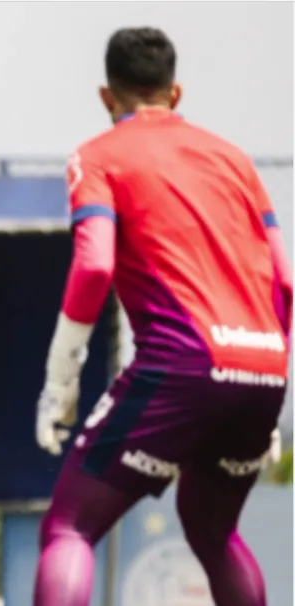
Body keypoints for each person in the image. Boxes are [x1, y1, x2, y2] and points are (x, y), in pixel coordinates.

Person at [32, 27, 291, 606]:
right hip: (264, 362)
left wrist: (60, 379)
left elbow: (94, 266)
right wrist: (264, 382)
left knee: (70, 527)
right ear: (176, 94)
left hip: (184, 359)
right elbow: (285, 279)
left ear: (107, 98)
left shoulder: (98, 156)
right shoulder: (235, 160)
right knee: (212, 529)